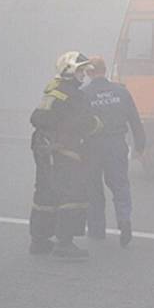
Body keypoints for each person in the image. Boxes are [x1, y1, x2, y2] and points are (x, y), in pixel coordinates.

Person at [29, 51, 103, 258]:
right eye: (81, 70)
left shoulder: (52, 90)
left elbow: (39, 118)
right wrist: (98, 124)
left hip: (45, 150)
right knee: (73, 194)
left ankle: (39, 241)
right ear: (69, 69)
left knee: (45, 193)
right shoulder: (74, 94)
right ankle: (65, 244)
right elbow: (84, 123)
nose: (84, 74)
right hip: (64, 151)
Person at [82, 56, 145, 247]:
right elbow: (135, 120)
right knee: (120, 186)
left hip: (93, 147)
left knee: (93, 187)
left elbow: (78, 125)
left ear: (88, 73)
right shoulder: (121, 92)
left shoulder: (84, 94)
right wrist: (140, 146)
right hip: (117, 145)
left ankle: (96, 229)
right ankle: (124, 220)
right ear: (105, 69)